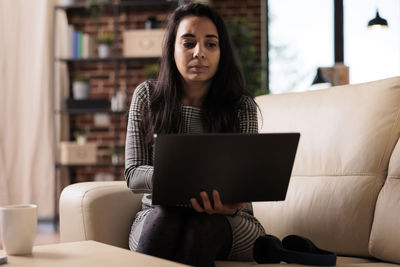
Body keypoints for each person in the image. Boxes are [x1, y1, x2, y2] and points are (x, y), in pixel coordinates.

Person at [124, 3, 266, 266]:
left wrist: (228, 204)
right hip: (158, 213)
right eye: (188, 43)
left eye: (210, 44)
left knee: (202, 226)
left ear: (221, 52)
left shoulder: (241, 106)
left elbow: (246, 185)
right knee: (167, 218)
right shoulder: (147, 96)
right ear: (172, 49)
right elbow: (133, 175)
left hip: (229, 219)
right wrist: (181, 179)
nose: (200, 53)